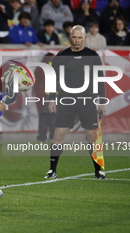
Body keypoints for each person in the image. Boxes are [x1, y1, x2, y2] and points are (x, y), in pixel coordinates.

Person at [44, 25, 107, 179]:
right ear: (69, 38)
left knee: (91, 136)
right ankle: (52, 170)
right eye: (74, 37)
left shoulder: (93, 56)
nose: (77, 40)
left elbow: (100, 79)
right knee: (58, 135)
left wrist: (102, 101)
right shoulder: (61, 56)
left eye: (80, 37)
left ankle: (98, 171)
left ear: (85, 38)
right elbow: (54, 79)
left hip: (87, 100)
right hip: (66, 100)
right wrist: (52, 99)